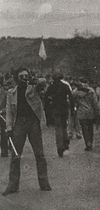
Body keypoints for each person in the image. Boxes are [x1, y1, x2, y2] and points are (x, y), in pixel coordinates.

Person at [2, 67, 51, 196]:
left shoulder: (34, 89)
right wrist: (8, 127)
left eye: (26, 76)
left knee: (39, 154)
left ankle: (44, 183)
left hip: (33, 122)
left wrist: (34, 80)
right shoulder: (11, 93)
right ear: (16, 78)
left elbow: (43, 82)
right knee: (15, 155)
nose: (24, 78)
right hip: (19, 123)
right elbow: (8, 112)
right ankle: (13, 186)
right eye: (21, 76)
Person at [45, 72, 74, 157]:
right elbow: (71, 98)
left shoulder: (51, 87)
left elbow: (46, 99)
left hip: (55, 109)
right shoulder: (65, 86)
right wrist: (72, 109)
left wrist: (48, 110)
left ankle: (60, 148)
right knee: (64, 126)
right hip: (64, 109)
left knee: (58, 128)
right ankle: (66, 144)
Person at [72, 78, 100, 151]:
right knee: (90, 128)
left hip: (81, 112)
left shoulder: (75, 92)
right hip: (90, 112)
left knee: (84, 129)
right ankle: (90, 141)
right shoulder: (91, 91)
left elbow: (72, 101)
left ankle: (87, 143)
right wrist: (98, 111)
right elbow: (95, 103)